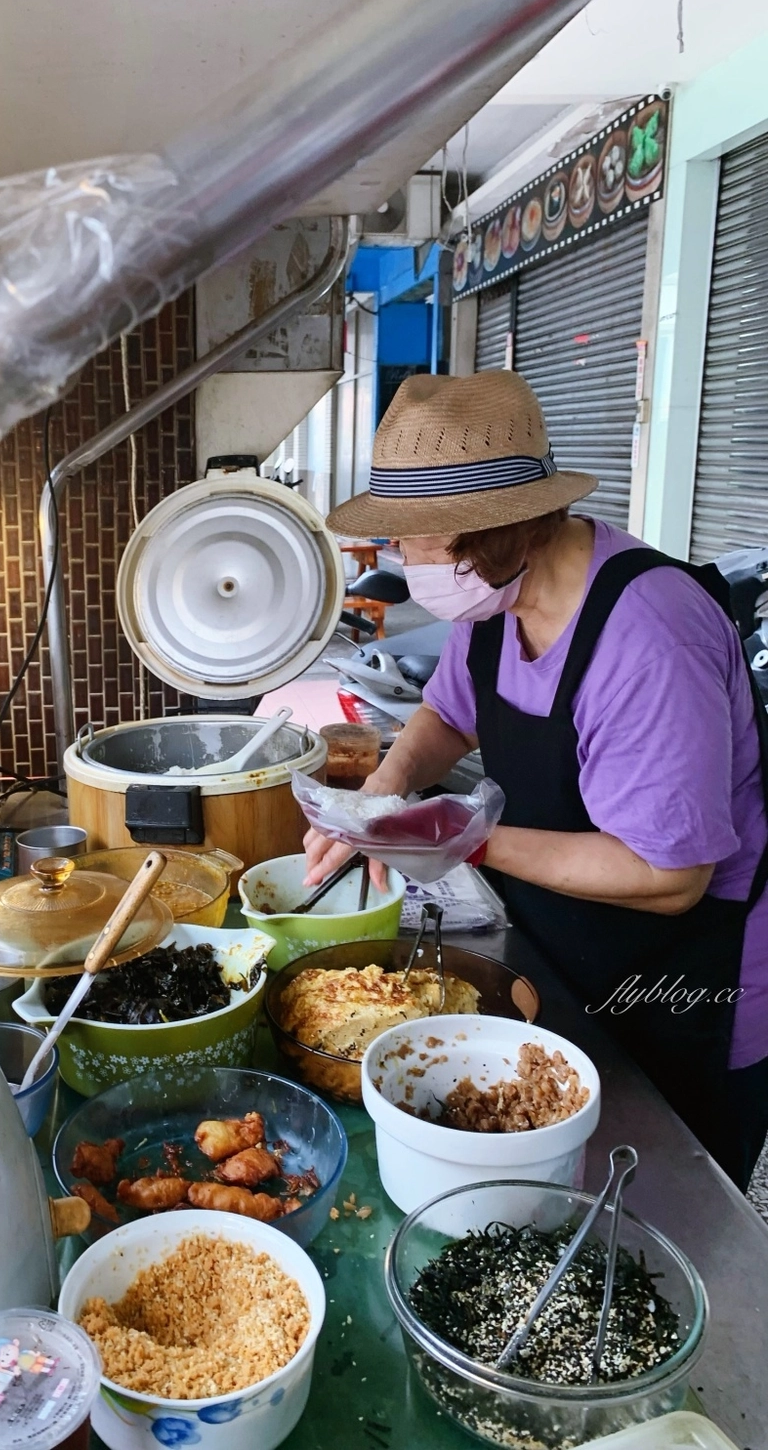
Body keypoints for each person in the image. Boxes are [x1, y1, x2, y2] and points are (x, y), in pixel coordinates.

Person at [305, 370, 768, 1190]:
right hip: (568, 955)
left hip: (688, 984)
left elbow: (669, 874)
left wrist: (466, 839)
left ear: (485, 533)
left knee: (655, 1211)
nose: (399, 560)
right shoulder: (496, 603)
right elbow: (449, 717)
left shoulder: (648, 637)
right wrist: (382, 790)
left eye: (412, 541)